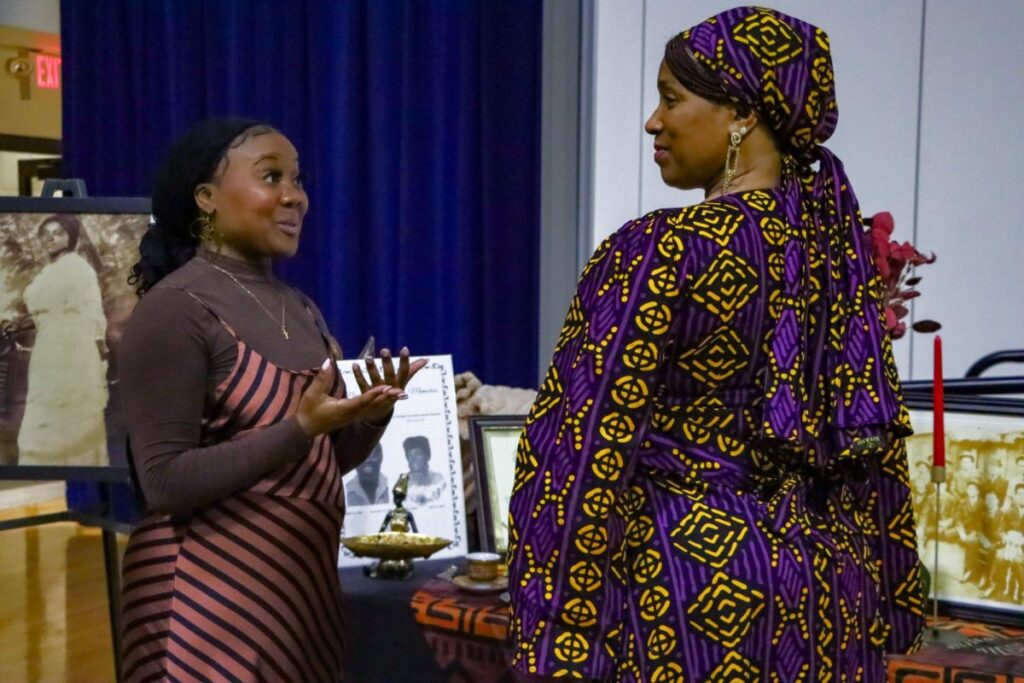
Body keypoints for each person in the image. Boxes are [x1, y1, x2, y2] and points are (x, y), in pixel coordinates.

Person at [507, 8, 924, 681]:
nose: (653, 121)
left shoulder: (661, 249)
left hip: (691, 594)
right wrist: (894, 594)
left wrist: (559, 635)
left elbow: (578, 451)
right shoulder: (834, 259)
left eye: (672, 98)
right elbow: (867, 451)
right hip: (826, 597)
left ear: (742, 114)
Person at [118, 118, 426, 683]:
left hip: (297, 600)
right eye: (270, 177)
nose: (294, 197)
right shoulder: (175, 309)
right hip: (202, 608)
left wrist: (369, 418)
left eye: (298, 179)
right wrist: (299, 428)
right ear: (206, 197)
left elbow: (314, 466)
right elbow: (163, 482)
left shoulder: (300, 307)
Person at [18, 214, 108, 466]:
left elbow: (92, 312)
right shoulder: (47, 273)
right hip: (47, 346)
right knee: (44, 405)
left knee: (72, 406)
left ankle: (79, 465)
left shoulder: (79, 269)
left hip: (74, 347)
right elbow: (47, 311)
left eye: (57, 233)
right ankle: (44, 466)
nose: (50, 238)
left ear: (70, 238)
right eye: (45, 234)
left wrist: (99, 355)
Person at [403, 435, 446, 505]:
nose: (413, 459)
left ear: (427, 455)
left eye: (417, 454)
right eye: (410, 455)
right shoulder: (403, 483)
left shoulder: (438, 479)